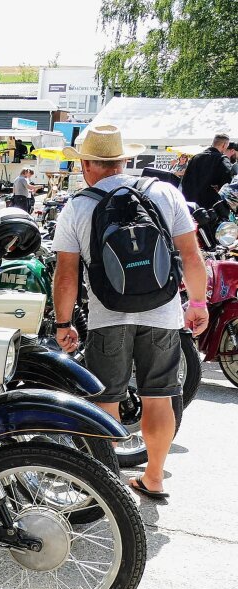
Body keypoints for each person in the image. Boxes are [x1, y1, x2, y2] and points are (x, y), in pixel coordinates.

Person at [52, 125, 208, 500]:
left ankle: (103, 489)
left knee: (106, 400)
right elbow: (191, 255)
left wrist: (63, 322)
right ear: (124, 160)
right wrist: (198, 304)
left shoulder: (78, 205)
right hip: (162, 312)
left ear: (88, 164)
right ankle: (153, 477)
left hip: (108, 315)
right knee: (159, 395)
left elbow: (67, 274)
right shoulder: (164, 192)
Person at [181, 133, 232, 209]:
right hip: (212, 207)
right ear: (224, 145)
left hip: (191, 205)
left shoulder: (195, 158)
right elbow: (228, 182)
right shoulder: (222, 159)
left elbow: (184, 181)